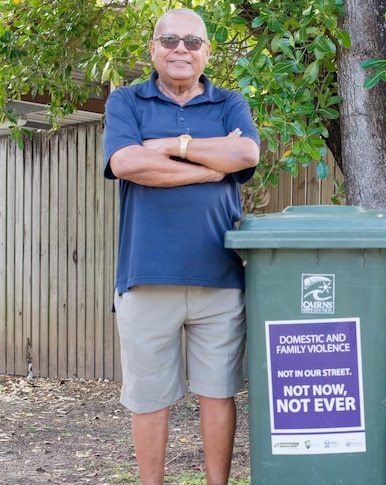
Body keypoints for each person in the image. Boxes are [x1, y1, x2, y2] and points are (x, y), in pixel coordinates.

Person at [103, 8, 259, 485]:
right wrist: (211, 168)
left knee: (218, 393)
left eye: (193, 42)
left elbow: (245, 153)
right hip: (146, 275)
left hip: (220, 276)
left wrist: (172, 145)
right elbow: (128, 161)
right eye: (169, 39)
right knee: (149, 396)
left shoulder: (229, 101)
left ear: (207, 52)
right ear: (152, 48)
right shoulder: (126, 101)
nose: (181, 50)